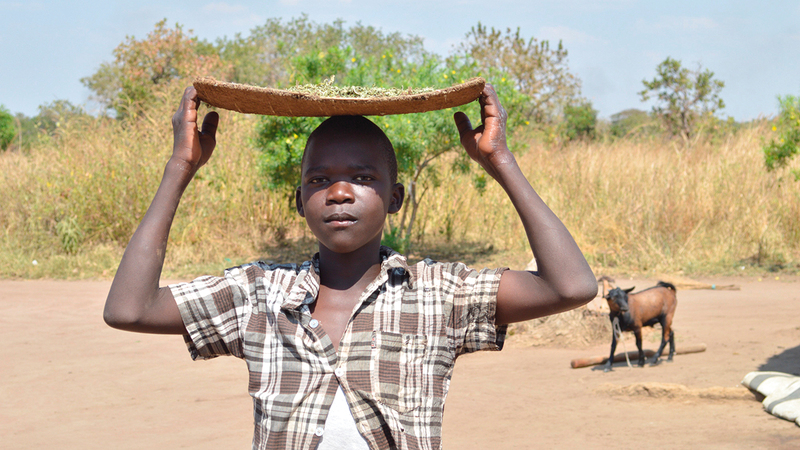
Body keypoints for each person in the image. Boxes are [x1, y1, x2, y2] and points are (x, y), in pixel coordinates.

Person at [103, 83, 597, 450]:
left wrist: (500, 161)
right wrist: (179, 169)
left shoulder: (438, 293)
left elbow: (570, 286)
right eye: (319, 180)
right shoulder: (259, 294)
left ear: (395, 198)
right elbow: (130, 309)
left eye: (361, 178)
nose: (339, 192)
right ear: (300, 200)